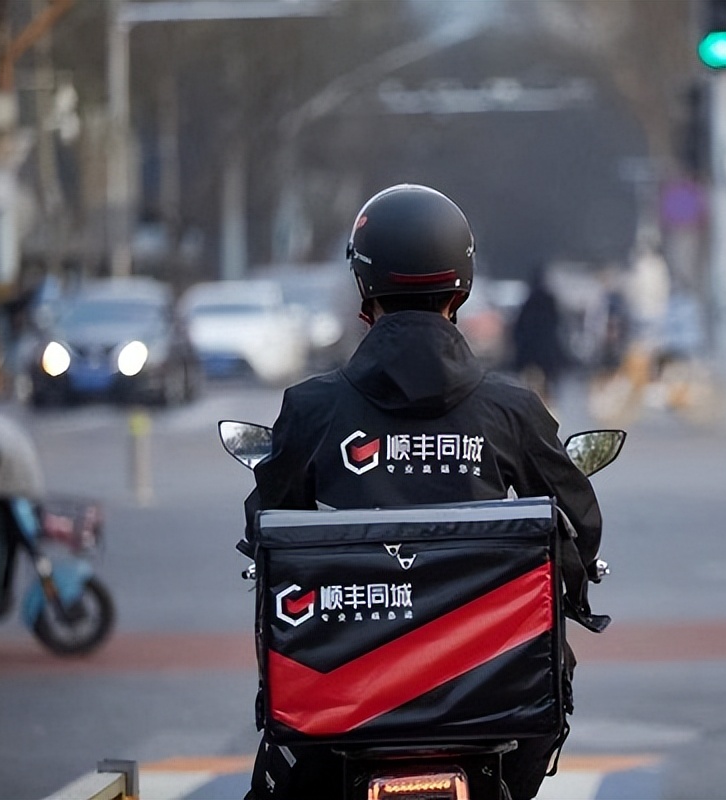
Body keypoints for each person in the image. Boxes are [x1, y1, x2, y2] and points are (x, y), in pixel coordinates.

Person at [243, 184, 605, 800]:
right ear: (460, 287)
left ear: (364, 286)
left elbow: (267, 526)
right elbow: (577, 522)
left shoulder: (313, 409)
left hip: (341, 698)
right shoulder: (510, 409)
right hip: (493, 697)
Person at [511, 264, 567, 408]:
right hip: (547, 353)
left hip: (529, 353)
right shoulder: (550, 301)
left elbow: (519, 328)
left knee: (529, 386)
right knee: (547, 388)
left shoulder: (528, 302)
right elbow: (558, 325)